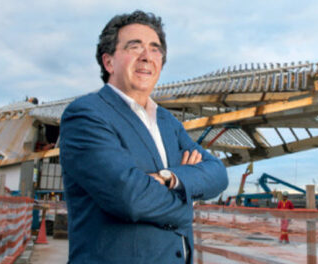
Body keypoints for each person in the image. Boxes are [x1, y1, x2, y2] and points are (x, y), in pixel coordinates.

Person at [60, 11, 228, 263]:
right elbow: (129, 197)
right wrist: (187, 202)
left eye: (155, 49)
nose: (147, 57)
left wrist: (168, 177)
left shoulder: (168, 122)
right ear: (108, 62)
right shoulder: (87, 115)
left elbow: (217, 173)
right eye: (134, 47)